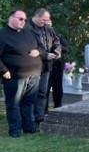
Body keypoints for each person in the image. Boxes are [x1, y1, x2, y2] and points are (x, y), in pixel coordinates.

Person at [0, 9, 42, 137]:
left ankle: (29, 127)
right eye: (20, 19)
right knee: (13, 104)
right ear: (11, 18)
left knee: (28, 102)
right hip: (15, 76)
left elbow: (41, 46)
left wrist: (38, 51)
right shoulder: (2, 35)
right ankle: (15, 130)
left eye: (24, 19)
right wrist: (3, 70)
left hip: (34, 74)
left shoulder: (28, 32)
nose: (23, 21)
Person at [25, 8, 61, 128]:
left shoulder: (47, 28)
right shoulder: (26, 27)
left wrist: (57, 51)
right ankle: (29, 119)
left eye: (47, 20)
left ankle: (39, 117)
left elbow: (56, 41)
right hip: (32, 66)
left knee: (42, 92)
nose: (46, 22)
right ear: (36, 16)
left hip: (46, 66)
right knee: (30, 94)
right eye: (44, 20)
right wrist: (45, 55)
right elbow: (28, 47)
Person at [45, 21, 69, 110]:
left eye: (49, 25)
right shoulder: (40, 36)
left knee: (58, 88)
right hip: (46, 66)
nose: (48, 27)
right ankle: (44, 109)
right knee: (45, 89)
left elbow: (66, 48)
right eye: (46, 25)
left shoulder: (58, 36)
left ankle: (58, 106)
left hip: (58, 66)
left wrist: (57, 49)